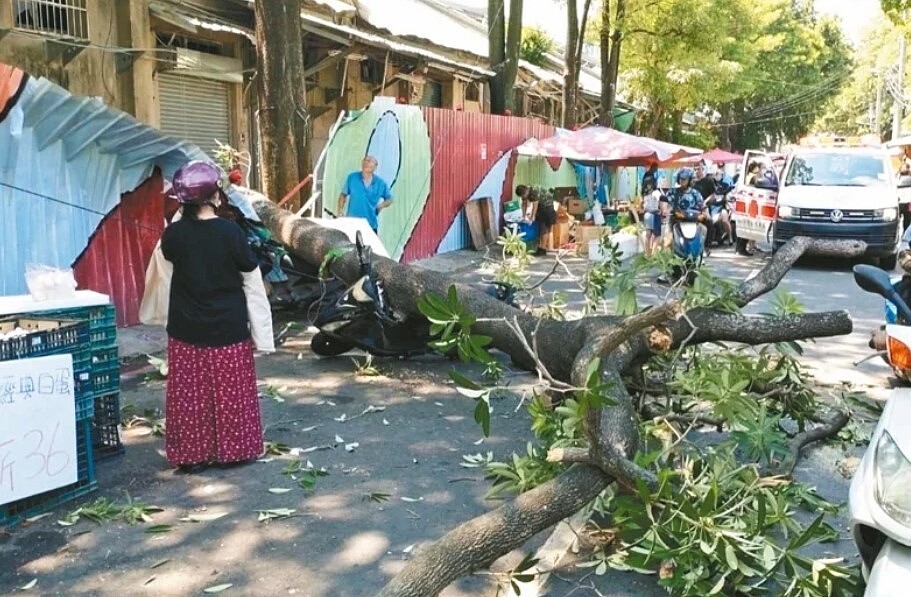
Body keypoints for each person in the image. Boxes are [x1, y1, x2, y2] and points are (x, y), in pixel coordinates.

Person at [160, 161, 264, 474]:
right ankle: (234, 451)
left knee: (190, 395)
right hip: (227, 327)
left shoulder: (174, 235)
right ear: (213, 195)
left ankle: (192, 456)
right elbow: (249, 270)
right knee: (231, 391)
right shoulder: (230, 231)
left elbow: (166, 264)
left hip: (185, 327)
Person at [337, 156, 393, 234]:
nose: (366, 162)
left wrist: (381, 206)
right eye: (365, 160)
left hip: (370, 225)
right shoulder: (352, 177)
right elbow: (343, 195)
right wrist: (340, 211)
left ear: (375, 166)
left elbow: (390, 199)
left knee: (370, 246)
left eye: (369, 161)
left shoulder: (380, 183)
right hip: (352, 224)